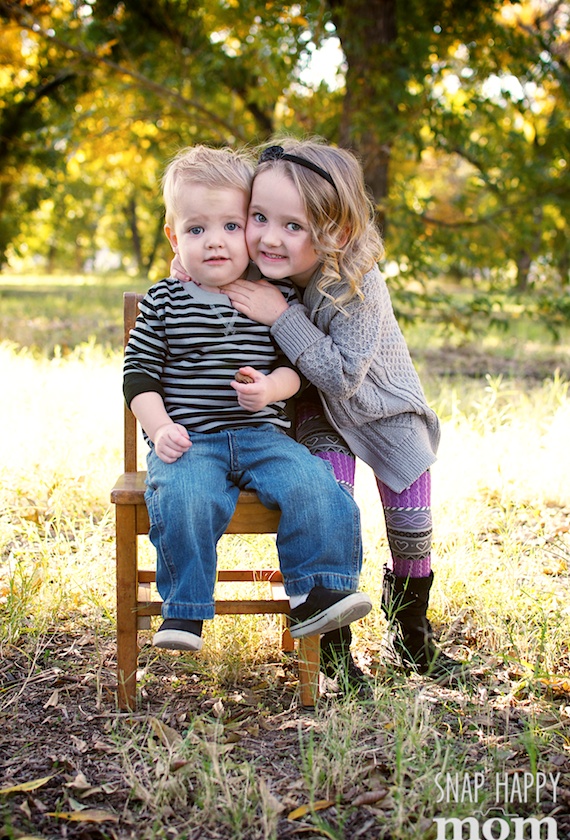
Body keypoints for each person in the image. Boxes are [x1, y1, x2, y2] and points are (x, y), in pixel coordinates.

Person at [209, 137, 468, 686]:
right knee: (329, 495)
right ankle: (332, 644)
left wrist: (282, 315)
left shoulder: (358, 284)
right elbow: (202, 262)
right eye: (258, 217)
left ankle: (411, 633)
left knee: (411, 524)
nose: (269, 237)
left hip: (381, 408)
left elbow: (344, 375)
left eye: (293, 225)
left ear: (336, 232)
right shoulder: (262, 270)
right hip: (319, 413)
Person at [123, 144, 371, 655]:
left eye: (231, 227)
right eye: (196, 230)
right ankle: (185, 611)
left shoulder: (272, 296)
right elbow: (138, 374)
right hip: (192, 439)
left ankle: (315, 592)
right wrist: (158, 427)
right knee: (185, 496)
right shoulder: (166, 299)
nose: (214, 242)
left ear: (251, 234)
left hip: (263, 436)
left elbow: (294, 371)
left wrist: (270, 390)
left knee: (314, 484)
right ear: (174, 236)